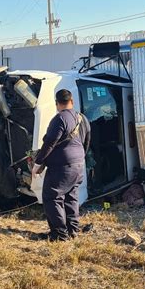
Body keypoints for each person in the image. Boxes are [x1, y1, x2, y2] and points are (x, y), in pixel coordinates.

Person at [32, 89, 91, 241]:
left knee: (52, 196)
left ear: (57, 103)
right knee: (71, 196)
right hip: (78, 163)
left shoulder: (59, 119)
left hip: (62, 166)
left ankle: (59, 234)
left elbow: (50, 142)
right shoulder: (81, 117)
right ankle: (73, 230)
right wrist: (80, 157)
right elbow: (87, 139)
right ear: (72, 101)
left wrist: (38, 162)